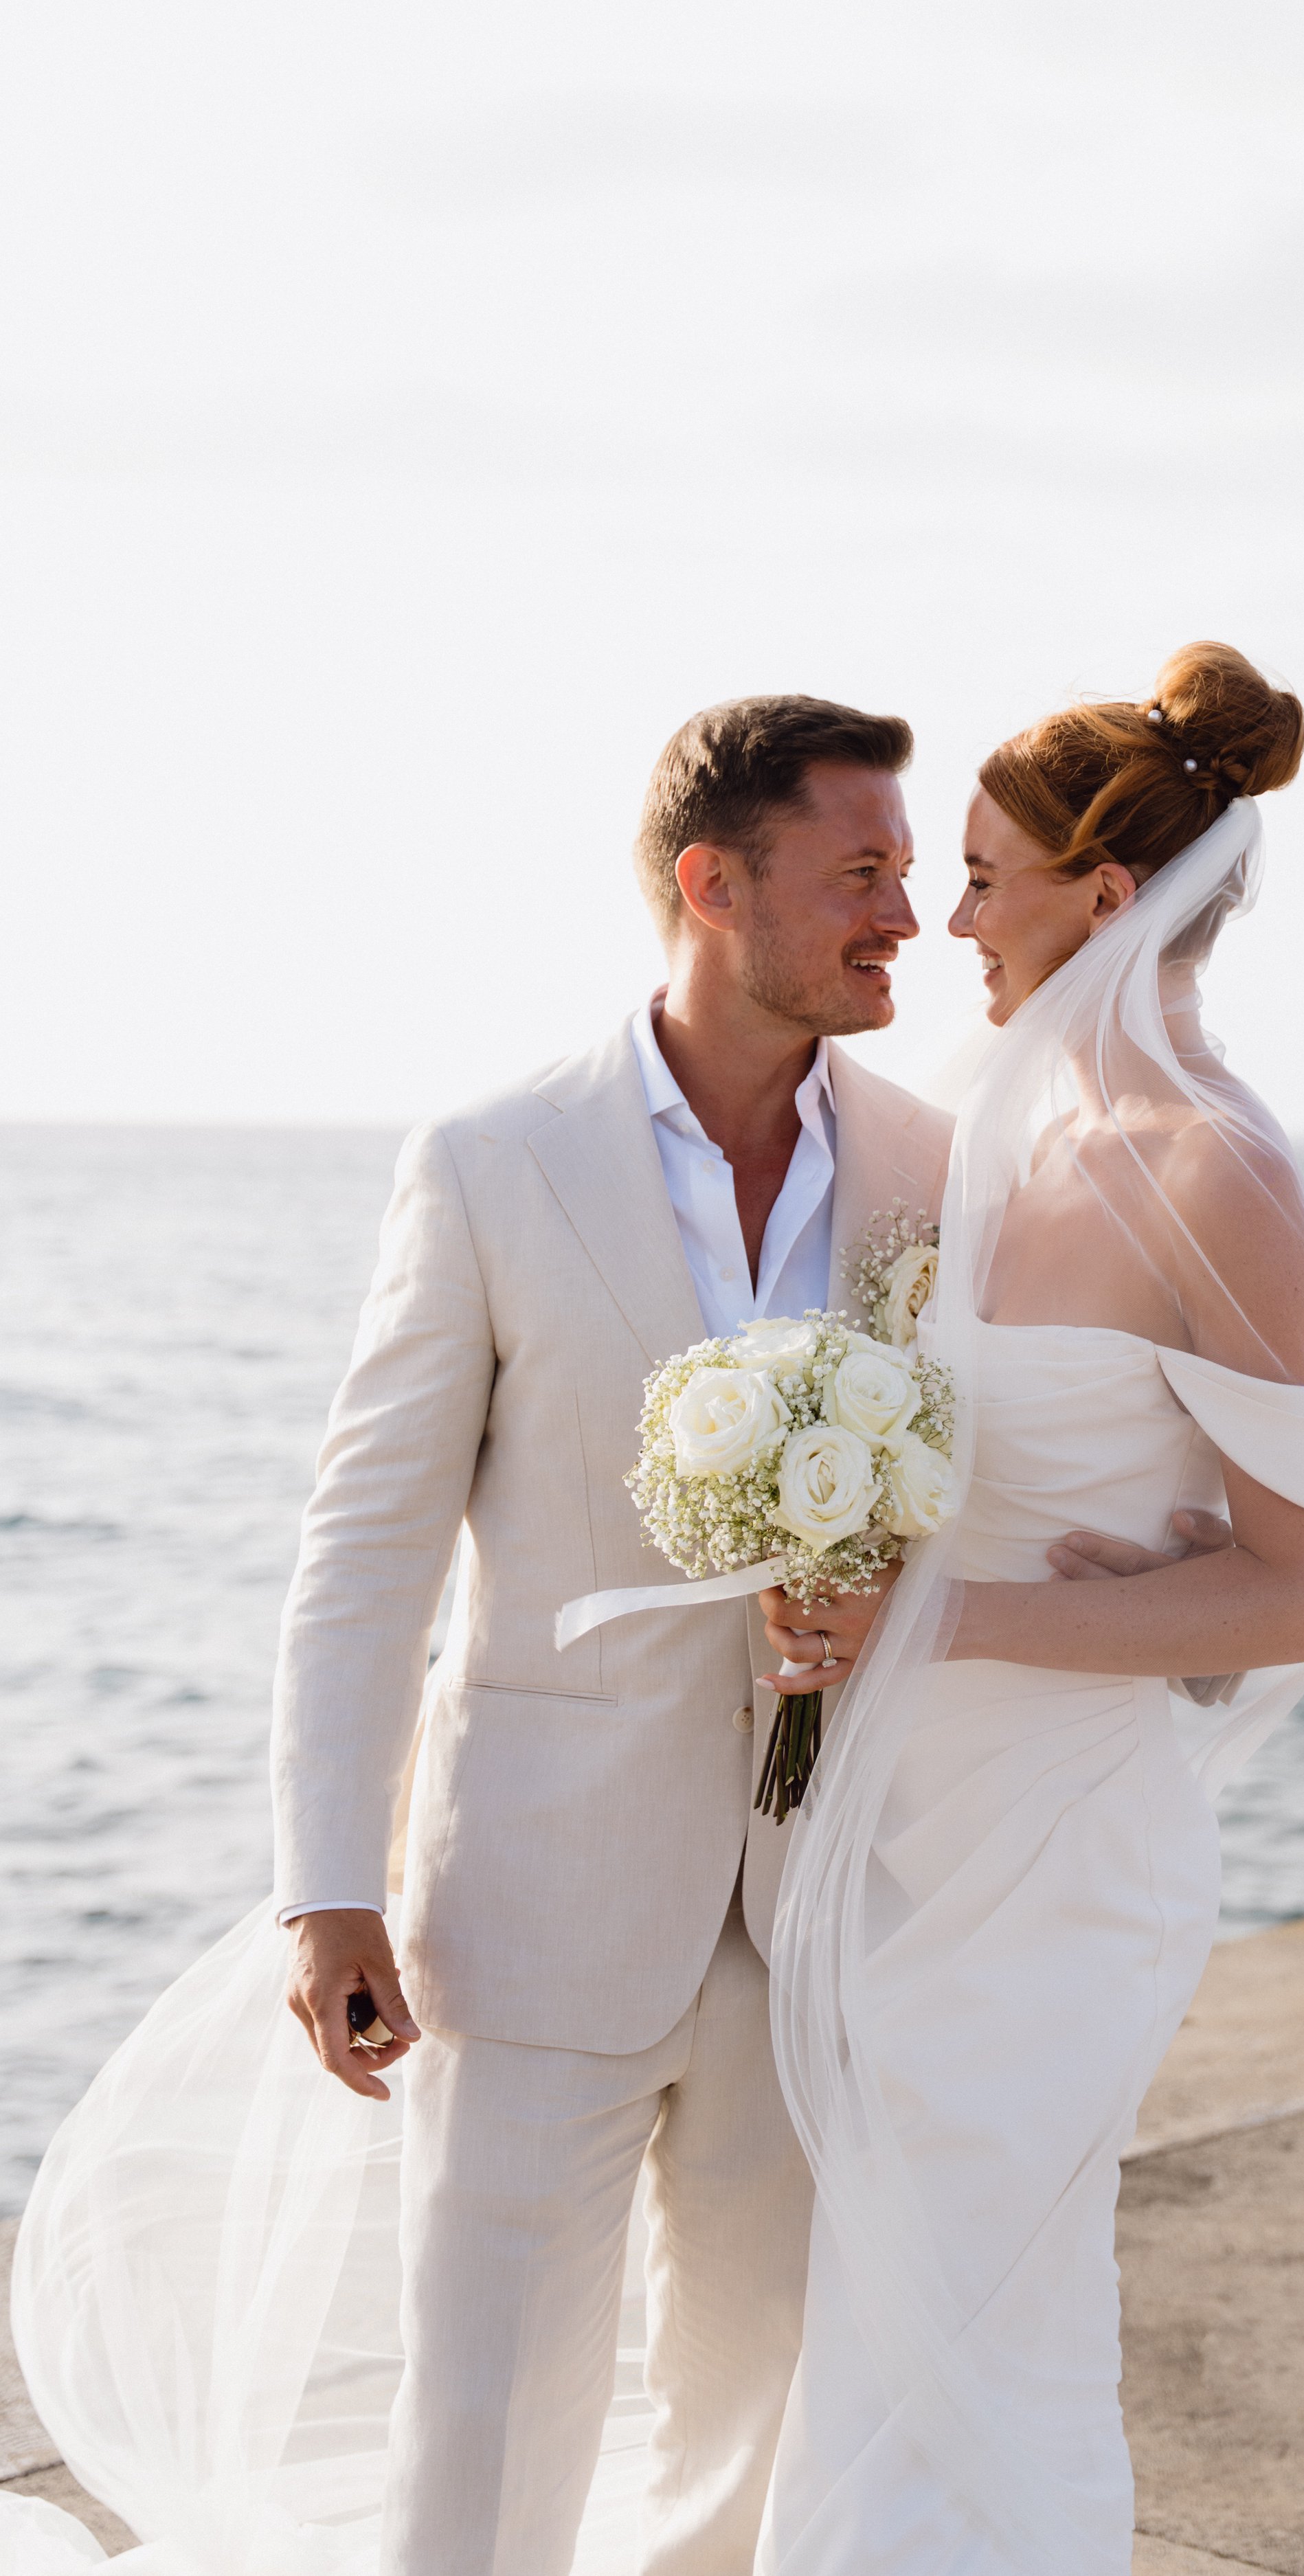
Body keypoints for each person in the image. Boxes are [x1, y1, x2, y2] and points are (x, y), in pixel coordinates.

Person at [0, 696, 954, 2576]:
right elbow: (364, 1547)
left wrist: (883, 1588)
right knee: (487, 2410)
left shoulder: (929, 1168)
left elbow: (959, 1485)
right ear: (712, 884)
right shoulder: (494, 1158)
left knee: (755, 2415)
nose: (903, 918)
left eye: (909, 878)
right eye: (861, 874)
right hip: (535, 1893)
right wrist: (324, 1887)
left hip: (818, 1898)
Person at [752, 643, 1304, 2575]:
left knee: (989, 2322)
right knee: (884, 2311)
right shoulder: (999, 1136)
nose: (947, 920)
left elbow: (1302, 1592)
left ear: (1106, 897)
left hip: (1061, 1846)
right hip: (914, 1810)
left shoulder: (1217, 1173)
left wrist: (943, 1618)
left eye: (989, 877)